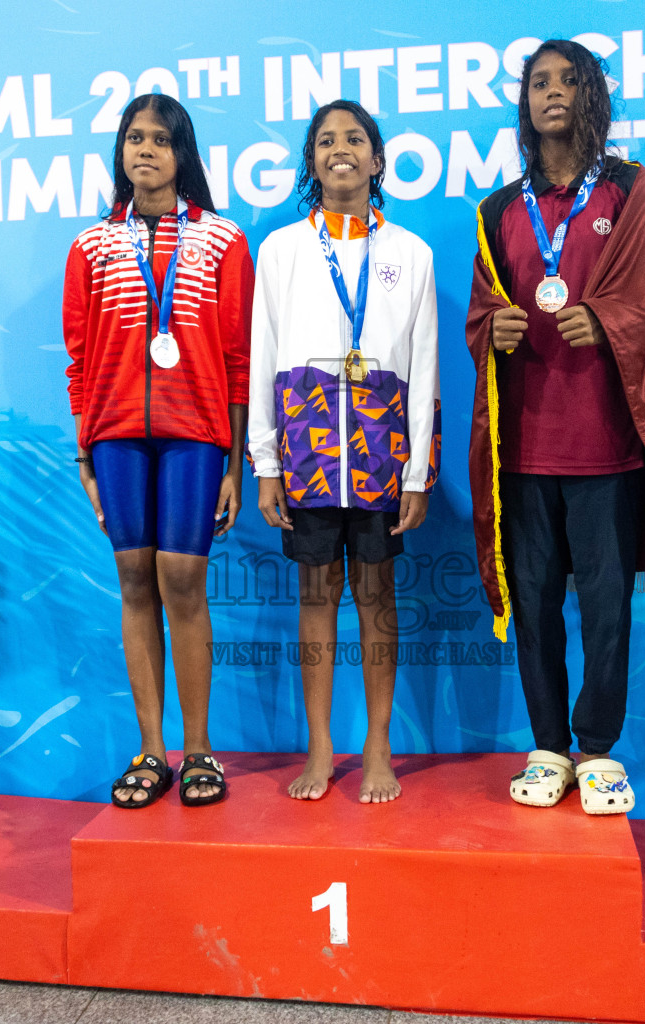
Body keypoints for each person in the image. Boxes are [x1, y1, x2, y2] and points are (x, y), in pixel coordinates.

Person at [465, 40, 645, 815]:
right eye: (538, 83)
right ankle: (547, 747)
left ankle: (599, 750)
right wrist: (495, 328)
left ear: (592, 97)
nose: (551, 94)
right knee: (536, 598)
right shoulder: (496, 211)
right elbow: (482, 310)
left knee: (607, 604)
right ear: (524, 102)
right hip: (526, 446)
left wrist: (603, 319)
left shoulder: (632, 191)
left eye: (567, 82)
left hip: (607, 442)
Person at [62, 94, 253, 808]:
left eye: (160, 140)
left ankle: (200, 750)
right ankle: (152, 751)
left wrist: (235, 464)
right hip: (114, 439)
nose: (145, 150)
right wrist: (85, 457)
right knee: (134, 581)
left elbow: (238, 355)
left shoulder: (223, 241)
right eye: (133, 138)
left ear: (183, 154)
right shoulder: (89, 246)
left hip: (195, 436)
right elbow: (78, 360)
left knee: (181, 581)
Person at [248, 99, 440, 804]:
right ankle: (321, 745)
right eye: (325, 140)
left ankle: (379, 744)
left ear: (377, 158)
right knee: (316, 593)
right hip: (306, 451)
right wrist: (265, 463)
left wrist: (418, 469)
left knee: (377, 594)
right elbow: (263, 355)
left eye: (354, 138)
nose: (340, 149)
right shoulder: (281, 251)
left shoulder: (411, 254)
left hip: (381, 450)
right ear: (312, 161)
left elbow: (424, 367)